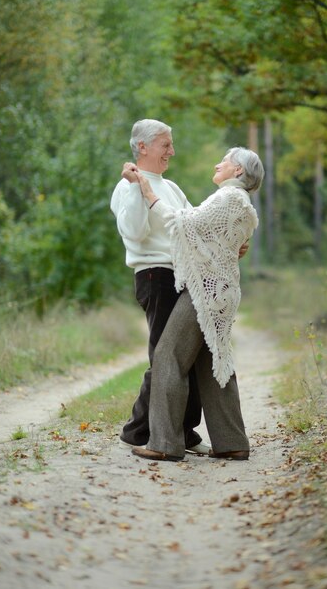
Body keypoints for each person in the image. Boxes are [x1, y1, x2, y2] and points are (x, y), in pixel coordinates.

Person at [129, 147, 264, 462]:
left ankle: (165, 443)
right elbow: (211, 240)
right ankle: (232, 441)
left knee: (168, 355)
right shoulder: (245, 206)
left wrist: (148, 193)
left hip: (207, 290)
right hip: (222, 290)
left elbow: (183, 224)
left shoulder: (228, 198)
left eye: (225, 161)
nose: (218, 164)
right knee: (213, 362)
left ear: (239, 172)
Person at [110, 119, 208, 454]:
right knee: (165, 356)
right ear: (143, 147)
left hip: (184, 277)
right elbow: (135, 232)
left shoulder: (173, 187)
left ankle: (182, 428)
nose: (171, 151)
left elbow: (192, 226)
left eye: (171, 144)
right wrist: (137, 185)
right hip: (155, 276)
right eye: (165, 144)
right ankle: (139, 429)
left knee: (187, 355)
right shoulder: (126, 187)